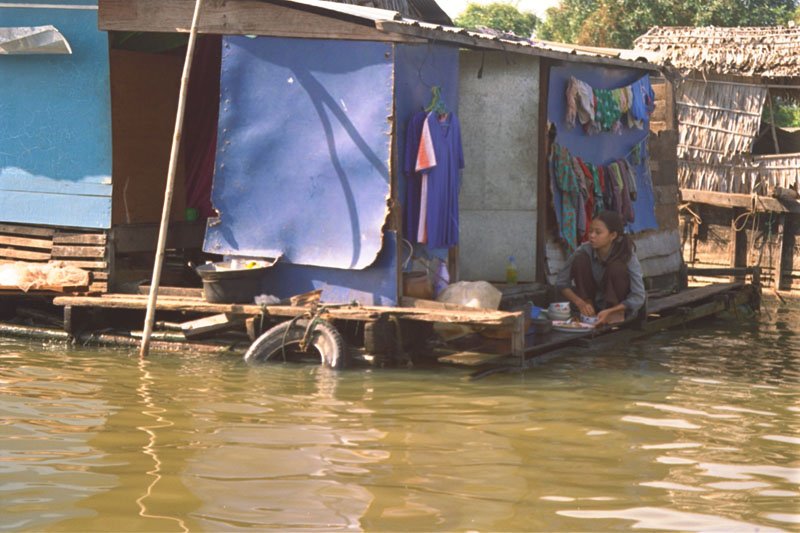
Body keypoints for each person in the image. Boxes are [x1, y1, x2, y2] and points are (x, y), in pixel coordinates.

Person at [555, 210, 645, 326]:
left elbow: (638, 296)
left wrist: (611, 311)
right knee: (580, 260)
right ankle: (590, 309)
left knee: (617, 267)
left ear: (612, 235)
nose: (592, 236)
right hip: (593, 303)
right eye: (590, 231)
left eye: (598, 232)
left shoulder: (627, 254)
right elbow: (561, 282)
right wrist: (581, 303)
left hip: (619, 308)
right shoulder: (584, 250)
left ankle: (614, 313)